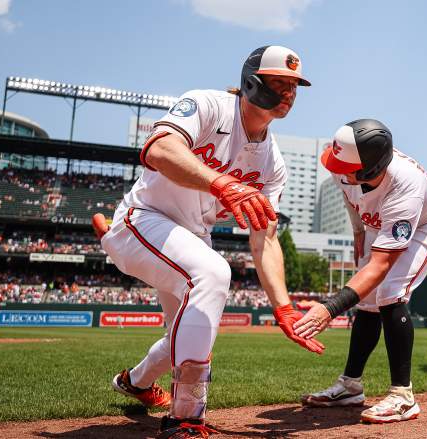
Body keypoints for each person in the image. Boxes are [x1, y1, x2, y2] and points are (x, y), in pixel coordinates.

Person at [95, 45, 324, 439]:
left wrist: (283, 306)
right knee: (214, 272)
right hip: (144, 219)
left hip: (191, 237)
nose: (289, 92)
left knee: (183, 334)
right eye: (280, 82)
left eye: (295, 86)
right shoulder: (209, 105)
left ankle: (134, 382)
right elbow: (158, 149)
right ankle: (186, 416)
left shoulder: (273, 163)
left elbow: (264, 238)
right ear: (251, 82)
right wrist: (222, 182)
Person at [292, 119, 427, 423]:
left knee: (390, 292)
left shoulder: (406, 185)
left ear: (368, 170)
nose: (335, 168)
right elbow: (350, 199)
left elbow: (380, 266)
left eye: (343, 167)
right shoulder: (347, 165)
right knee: (366, 299)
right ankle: (351, 386)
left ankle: (403, 396)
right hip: (375, 223)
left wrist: (329, 309)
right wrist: (358, 234)